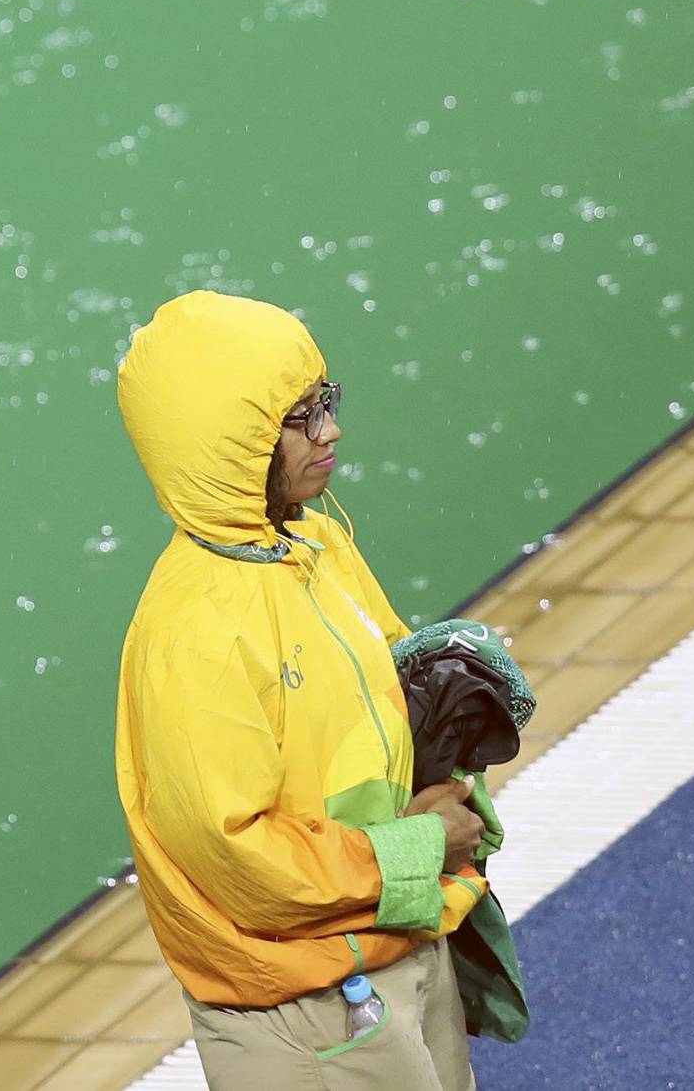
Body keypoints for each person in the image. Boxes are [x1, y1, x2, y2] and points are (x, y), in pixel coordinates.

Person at [114, 288, 490, 1089]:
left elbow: (391, 699)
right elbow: (240, 861)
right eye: (300, 417)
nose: (332, 431)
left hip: (391, 944)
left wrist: (454, 759)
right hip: (310, 1011)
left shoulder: (313, 544)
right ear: (228, 442)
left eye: (326, 401)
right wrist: (422, 848)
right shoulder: (197, 638)